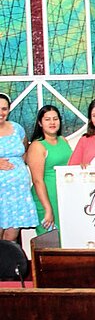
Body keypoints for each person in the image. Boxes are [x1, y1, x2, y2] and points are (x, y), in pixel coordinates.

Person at [26, 105, 71, 235]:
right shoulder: (37, 146)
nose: (52, 122)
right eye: (47, 119)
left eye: (55, 119)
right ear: (40, 123)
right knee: (49, 239)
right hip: (46, 197)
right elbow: (37, 180)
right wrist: (48, 208)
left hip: (64, 195)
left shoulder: (63, 140)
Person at [0, 93, 37, 239]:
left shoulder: (17, 128)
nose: (1, 112)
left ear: (9, 110)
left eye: (4, 109)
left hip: (18, 192)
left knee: (11, 239)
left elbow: (24, 153)